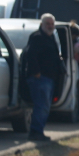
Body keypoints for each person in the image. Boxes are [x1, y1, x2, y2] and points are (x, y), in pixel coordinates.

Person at [24, 13, 63, 142]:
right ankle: (35, 132)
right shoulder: (37, 37)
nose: (50, 26)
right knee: (41, 106)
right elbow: (30, 55)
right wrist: (36, 73)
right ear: (41, 25)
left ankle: (38, 131)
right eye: (47, 24)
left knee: (45, 106)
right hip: (40, 79)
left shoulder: (51, 38)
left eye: (52, 24)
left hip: (50, 78)